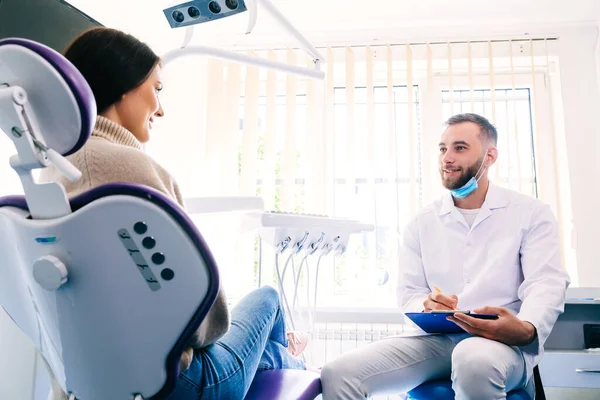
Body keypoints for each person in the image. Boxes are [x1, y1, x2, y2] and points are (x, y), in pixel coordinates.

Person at [39, 27, 312, 400]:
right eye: (157, 89)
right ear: (125, 87)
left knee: (265, 350)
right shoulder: (133, 170)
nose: (161, 108)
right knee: (268, 299)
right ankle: (294, 364)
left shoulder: (52, 174)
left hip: (85, 384)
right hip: (179, 385)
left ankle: (280, 357)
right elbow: (209, 322)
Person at [321, 113, 570, 399]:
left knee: (472, 359)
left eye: (460, 148)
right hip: (435, 341)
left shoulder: (530, 213)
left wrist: (527, 329)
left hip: (500, 342)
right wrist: (426, 304)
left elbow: (545, 283)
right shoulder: (422, 222)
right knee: (338, 373)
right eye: (443, 148)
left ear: (490, 156)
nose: (446, 158)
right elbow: (410, 293)